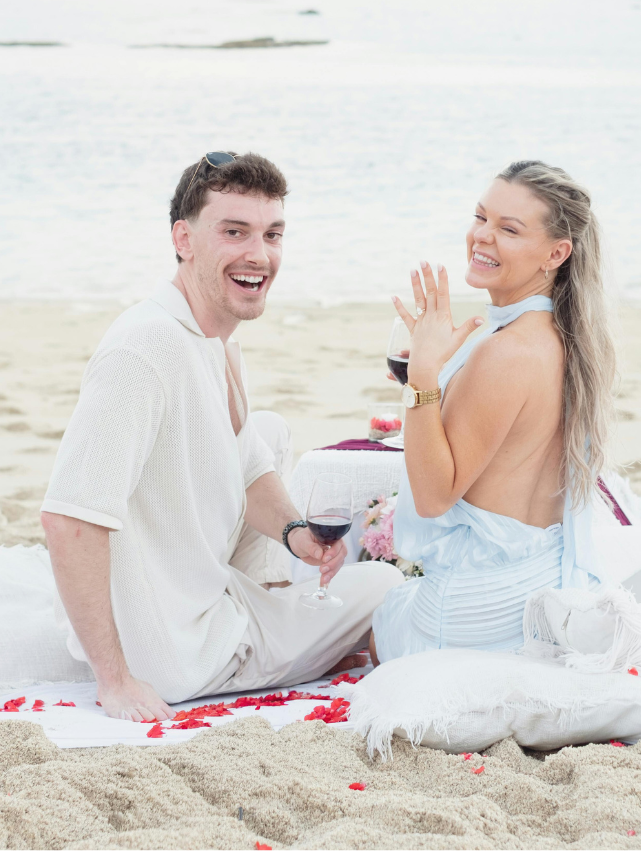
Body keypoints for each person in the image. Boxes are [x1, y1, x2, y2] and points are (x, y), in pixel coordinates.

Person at [40, 151, 403, 720]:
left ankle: (270, 599)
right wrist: (115, 681)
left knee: (267, 431)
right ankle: (262, 628)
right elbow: (68, 518)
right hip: (180, 655)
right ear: (183, 238)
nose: (258, 254)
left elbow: (251, 463)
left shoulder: (211, 336)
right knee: (383, 587)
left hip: (199, 595)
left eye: (272, 234)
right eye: (234, 232)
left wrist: (297, 537)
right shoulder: (143, 350)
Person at [370, 160, 616, 663]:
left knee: (375, 622)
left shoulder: (505, 353)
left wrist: (422, 376)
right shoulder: (566, 339)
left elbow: (436, 496)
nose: (482, 237)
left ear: (556, 253)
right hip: (537, 580)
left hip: (477, 611)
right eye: (480, 217)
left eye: (508, 229)